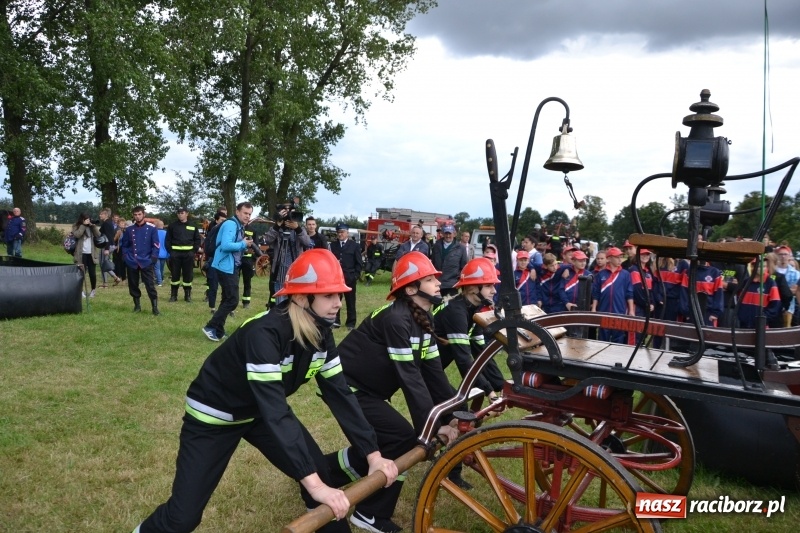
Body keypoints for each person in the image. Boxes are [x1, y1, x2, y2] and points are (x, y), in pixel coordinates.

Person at [132, 249, 398, 533]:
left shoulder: (323, 334)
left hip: (259, 411)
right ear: (300, 297)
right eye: (328, 295)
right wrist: (315, 485)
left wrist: (372, 454)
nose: (338, 303)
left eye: (339, 295)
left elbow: (341, 395)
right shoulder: (265, 334)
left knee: (319, 473)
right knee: (183, 518)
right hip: (215, 417)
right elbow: (276, 411)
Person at [334, 251, 459, 533]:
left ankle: (322, 473)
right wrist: (430, 430)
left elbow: (434, 375)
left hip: (369, 390)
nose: (439, 283)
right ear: (412, 288)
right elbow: (411, 380)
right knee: (403, 439)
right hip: (346, 388)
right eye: (430, 279)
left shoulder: (424, 319)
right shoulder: (396, 320)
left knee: (392, 442)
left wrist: (455, 413)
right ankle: (369, 515)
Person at [433, 257, 507, 402]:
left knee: (459, 409)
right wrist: (489, 392)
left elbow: (481, 352)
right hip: (424, 369)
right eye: (489, 286)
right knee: (457, 408)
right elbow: (463, 358)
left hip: (434, 368)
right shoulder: (456, 311)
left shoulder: (475, 309)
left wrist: (501, 385)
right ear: (472, 288)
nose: (494, 291)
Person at [202, 202, 253, 341]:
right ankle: (210, 326)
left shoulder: (238, 225)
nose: (247, 216)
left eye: (249, 214)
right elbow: (225, 245)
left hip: (229, 265)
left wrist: (244, 246)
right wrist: (243, 244)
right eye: (245, 213)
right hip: (225, 266)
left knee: (226, 298)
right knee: (232, 300)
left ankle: (218, 330)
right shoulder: (231, 224)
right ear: (237, 212)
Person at [263, 203, 311, 306]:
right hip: (280, 271)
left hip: (296, 270)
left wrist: (297, 228)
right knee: (280, 302)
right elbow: (267, 240)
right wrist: (277, 225)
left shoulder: (299, 229)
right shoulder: (278, 227)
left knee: (296, 301)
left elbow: (307, 242)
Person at [120, 206, 161, 315]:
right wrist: (125, 256)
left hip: (146, 260)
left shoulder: (152, 229)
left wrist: (153, 258)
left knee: (150, 284)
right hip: (132, 261)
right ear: (133, 216)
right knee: (133, 284)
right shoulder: (129, 230)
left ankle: (155, 308)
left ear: (143, 214)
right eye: (135, 215)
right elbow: (124, 245)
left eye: (139, 214)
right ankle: (137, 306)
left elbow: (156, 245)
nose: (137, 217)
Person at [591, 247, 634, 343]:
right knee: (602, 340)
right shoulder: (601, 274)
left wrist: (631, 310)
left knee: (618, 340)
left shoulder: (625, 274)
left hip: (619, 312)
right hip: (603, 311)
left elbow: (629, 293)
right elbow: (596, 293)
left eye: (621, 257)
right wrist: (594, 308)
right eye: (617, 257)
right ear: (609, 259)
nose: (620, 260)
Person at [330, 222, 362, 329]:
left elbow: (359, 263)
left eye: (342, 232)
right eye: (338, 232)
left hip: (349, 278)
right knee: (335, 300)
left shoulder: (354, 246)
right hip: (337, 278)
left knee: (350, 301)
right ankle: (336, 320)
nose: (340, 234)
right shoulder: (333, 245)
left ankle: (351, 323)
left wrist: (355, 276)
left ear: (347, 233)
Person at [166, 207, 201, 302]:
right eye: (179, 213)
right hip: (175, 254)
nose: (180, 214)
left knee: (188, 275)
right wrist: (171, 252)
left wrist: (193, 251)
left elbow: (197, 239)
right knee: (175, 275)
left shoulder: (193, 226)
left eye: (182, 212)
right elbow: (167, 240)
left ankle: (187, 296)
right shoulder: (172, 226)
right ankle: (173, 296)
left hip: (188, 255)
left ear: (187, 214)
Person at [431, 224, 468, 298]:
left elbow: (464, 267)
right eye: (446, 233)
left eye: (450, 233)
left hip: (452, 285)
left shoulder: (461, 248)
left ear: (454, 234)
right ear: (443, 234)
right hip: (437, 283)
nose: (448, 236)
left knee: (450, 306)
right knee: (436, 307)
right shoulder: (436, 246)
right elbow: (432, 263)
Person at [71, 213, 102, 298]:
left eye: (89, 219)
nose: (88, 220)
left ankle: (93, 290)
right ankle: (81, 291)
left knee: (92, 273)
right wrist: (83, 225)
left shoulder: (91, 227)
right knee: (82, 273)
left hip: (91, 253)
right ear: (82, 219)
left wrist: (93, 226)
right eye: (86, 219)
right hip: (81, 254)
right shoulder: (76, 226)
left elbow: (98, 235)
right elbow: (77, 234)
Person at [202, 211, 226, 315]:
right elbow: (207, 247)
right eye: (221, 220)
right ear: (216, 220)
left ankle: (225, 307)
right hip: (213, 261)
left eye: (225, 221)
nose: (223, 223)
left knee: (226, 286)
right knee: (213, 285)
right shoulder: (212, 232)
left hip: (224, 261)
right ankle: (212, 307)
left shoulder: (227, 231)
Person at [98, 208, 122, 287]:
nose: (100, 215)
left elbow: (107, 236)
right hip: (110, 245)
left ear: (106, 215)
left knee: (103, 264)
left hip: (106, 246)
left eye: (101, 214)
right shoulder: (108, 223)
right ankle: (115, 278)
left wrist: (106, 249)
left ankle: (106, 283)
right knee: (105, 263)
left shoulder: (106, 223)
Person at [239, 221, 256, 309]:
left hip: (248, 259)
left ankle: (246, 302)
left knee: (247, 281)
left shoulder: (252, 229)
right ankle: (232, 300)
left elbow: (255, 245)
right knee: (234, 281)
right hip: (237, 258)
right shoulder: (236, 227)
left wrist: (253, 259)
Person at [154, 220, 169, 287]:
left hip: (156, 253)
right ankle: (161, 279)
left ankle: (159, 282)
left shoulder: (154, 233)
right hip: (164, 253)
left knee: (157, 268)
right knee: (161, 268)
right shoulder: (166, 233)